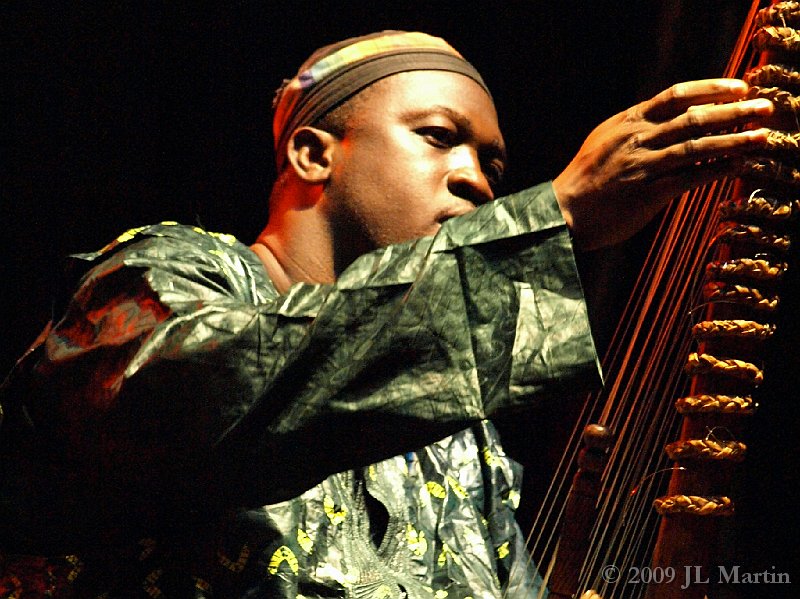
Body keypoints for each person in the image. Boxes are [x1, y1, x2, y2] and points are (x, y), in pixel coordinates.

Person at [0, 31, 773, 598]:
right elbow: (204, 404)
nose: (477, 182)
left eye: (495, 167)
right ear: (312, 153)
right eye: (440, 138)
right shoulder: (166, 271)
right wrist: (559, 215)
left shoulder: (464, 445)